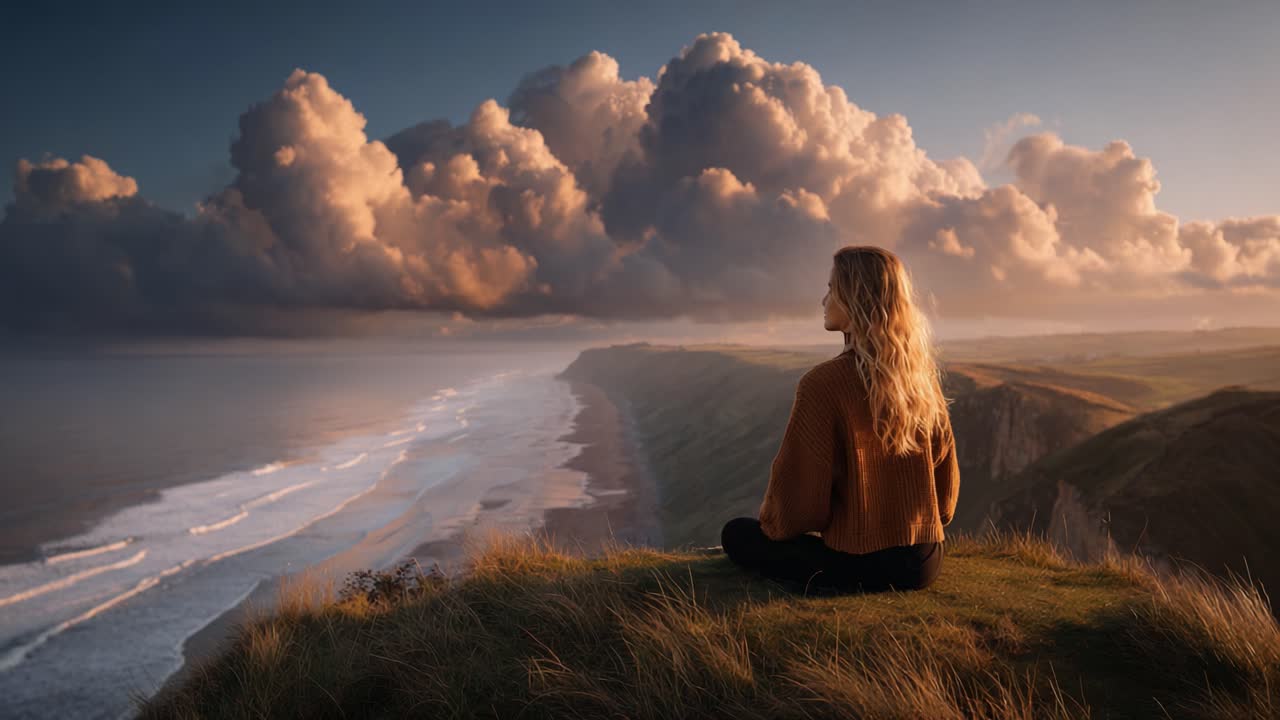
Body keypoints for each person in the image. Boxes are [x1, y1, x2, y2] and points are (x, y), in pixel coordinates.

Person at [721, 245, 960, 595]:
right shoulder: (920, 378)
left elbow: (799, 504)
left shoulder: (822, 384)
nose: (823, 300)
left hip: (861, 564)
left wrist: (774, 528)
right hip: (925, 561)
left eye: (832, 289)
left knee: (736, 533)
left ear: (854, 299)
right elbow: (945, 495)